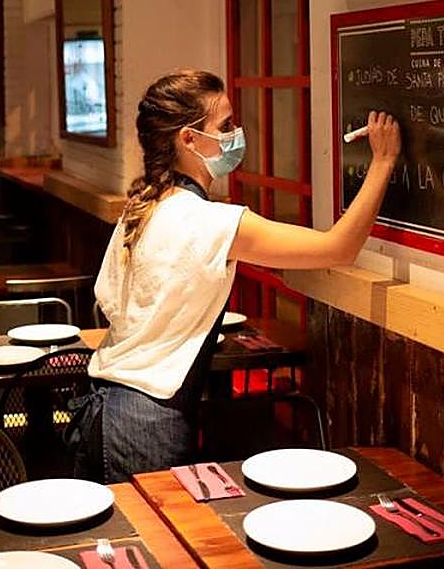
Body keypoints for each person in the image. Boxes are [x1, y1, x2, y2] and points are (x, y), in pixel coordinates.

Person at [66, 69, 400, 483]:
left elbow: (113, 302)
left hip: (104, 405)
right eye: (225, 126)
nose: (236, 134)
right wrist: (383, 161)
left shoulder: (143, 206)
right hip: (146, 420)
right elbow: (339, 248)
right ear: (188, 139)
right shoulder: (211, 221)